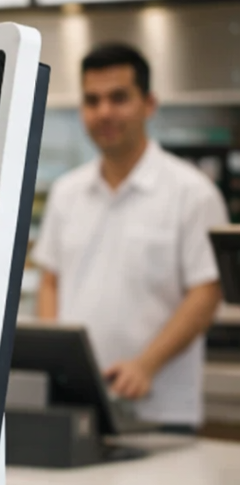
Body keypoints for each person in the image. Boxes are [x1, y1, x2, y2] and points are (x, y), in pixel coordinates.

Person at [32, 42, 227, 431]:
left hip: (160, 411)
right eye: (92, 100)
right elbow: (50, 279)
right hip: (76, 407)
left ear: (149, 104)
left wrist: (146, 366)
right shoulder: (67, 192)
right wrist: (56, 363)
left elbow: (206, 293)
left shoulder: (193, 193)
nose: (104, 112)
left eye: (118, 98)